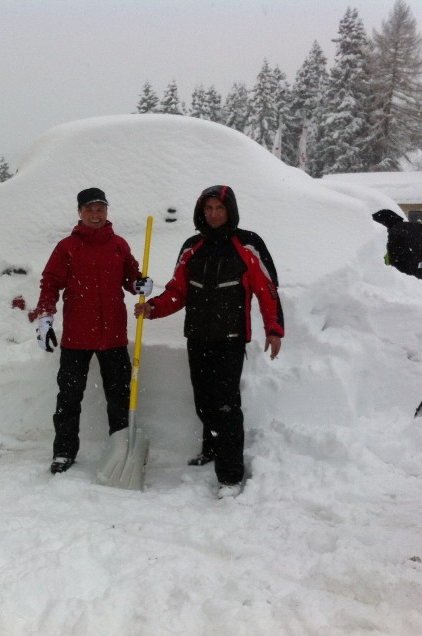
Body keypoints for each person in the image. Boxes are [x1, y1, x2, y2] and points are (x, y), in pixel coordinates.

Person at [135, 185, 284, 497]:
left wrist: (274, 328)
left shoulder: (248, 244)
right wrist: (152, 308)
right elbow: (178, 291)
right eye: (209, 209)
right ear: (201, 212)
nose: (214, 214)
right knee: (204, 402)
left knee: (227, 405)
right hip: (198, 338)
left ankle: (230, 476)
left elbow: (266, 289)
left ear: (230, 210)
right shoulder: (192, 247)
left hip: (230, 339)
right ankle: (213, 449)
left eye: (220, 208)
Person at [29, 187, 153, 475]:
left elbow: (131, 277)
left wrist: (140, 285)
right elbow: (50, 283)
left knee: (119, 398)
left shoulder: (119, 245)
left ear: (107, 212)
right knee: (69, 398)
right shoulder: (66, 248)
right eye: (89, 209)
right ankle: (63, 451)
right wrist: (45, 318)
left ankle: (119, 450)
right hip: (77, 337)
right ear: (79, 212)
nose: (95, 215)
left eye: (100, 209)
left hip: (113, 336)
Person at [371, 209, 422, 285]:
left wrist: (408, 274)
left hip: (421, 275)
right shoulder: (417, 226)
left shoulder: (394, 233)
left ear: (384, 223)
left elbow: (396, 260)